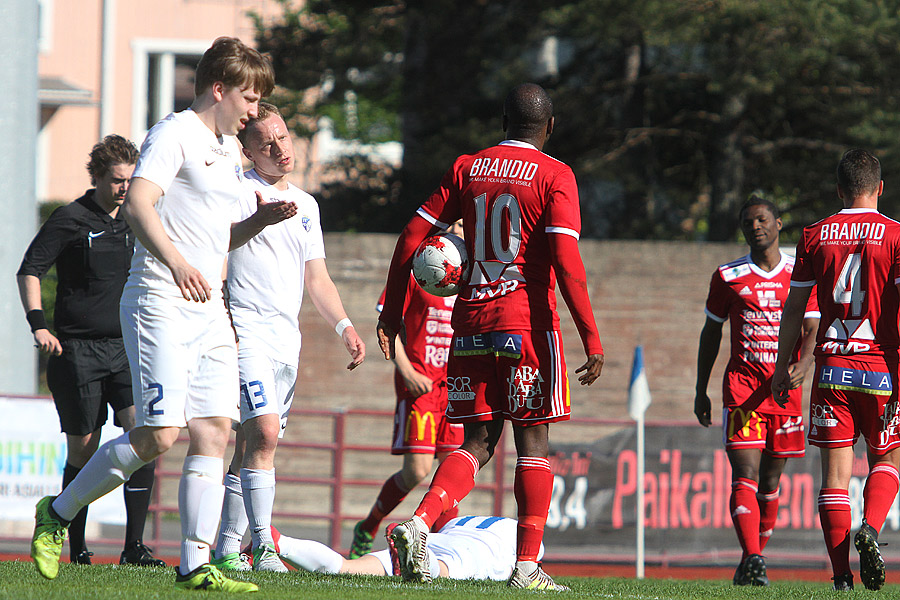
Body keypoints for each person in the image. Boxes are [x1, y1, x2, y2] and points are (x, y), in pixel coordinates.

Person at [29, 37, 296, 593]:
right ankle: (56, 513)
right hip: (159, 302)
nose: (254, 110)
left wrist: (259, 224)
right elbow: (138, 203)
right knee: (159, 435)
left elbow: (216, 234)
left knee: (216, 430)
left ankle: (196, 565)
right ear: (218, 90)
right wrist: (176, 264)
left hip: (209, 307)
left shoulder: (226, 149)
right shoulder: (173, 134)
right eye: (248, 98)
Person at [376, 83, 604, 591]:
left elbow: (412, 237)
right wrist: (591, 337)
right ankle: (526, 567)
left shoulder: (467, 167)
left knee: (476, 442)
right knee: (534, 443)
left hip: (470, 326)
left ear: (503, 119)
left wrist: (391, 312)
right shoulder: (555, 175)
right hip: (525, 326)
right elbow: (566, 262)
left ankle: (417, 522)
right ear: (550, 125)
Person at [211, 102, 365, 573]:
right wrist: (260, 219)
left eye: (283, 137)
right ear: (249, 151)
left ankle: (226, 549)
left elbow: (316, 279)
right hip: (247, 330)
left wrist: (345, 327)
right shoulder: (238, 191)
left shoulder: (308, 205)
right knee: (264, 432)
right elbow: (220, 242)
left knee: (253, 446)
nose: (279, 148)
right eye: (266, 143)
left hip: (286, 340)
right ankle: (263, 546)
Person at [17, 135, 165, 568]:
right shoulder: (71, 218)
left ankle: (133, 548)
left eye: (130, 180)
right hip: (77, 350)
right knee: (83, 450)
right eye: (117, 180)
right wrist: (39, 325)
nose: (125, 188)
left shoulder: (141, 216)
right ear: (97, 177)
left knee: (146, 434)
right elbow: (30, 270)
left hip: (127, 346)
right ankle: (76, 548)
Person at [773, 149, 900, 592]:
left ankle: (842, 576)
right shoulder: (896, 236)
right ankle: (873, 528)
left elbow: (794, 307)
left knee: (834, 478)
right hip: (882, 369)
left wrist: (782, 363)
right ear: (880, 188)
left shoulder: (814, 234)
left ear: (838, 189)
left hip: (831, 370)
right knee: (887, 458)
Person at [694, 196, 820, 586]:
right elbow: (711, 333)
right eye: (748, 222)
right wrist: (701, 390)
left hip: (783, 395)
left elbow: (813, 327)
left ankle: (755, 558)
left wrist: (805, 363)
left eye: (762, 220)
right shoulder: (728, 276)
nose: (755, 227)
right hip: (742, 392)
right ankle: (753, 557)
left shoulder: (799, 273)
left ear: (779, 223)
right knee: (744, 474)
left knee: (770, 483)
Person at [348, 221, 465, 559]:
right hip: (421, 387)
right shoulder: (420, 267)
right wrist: (408, 370)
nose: (459, 228)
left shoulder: (472, 271)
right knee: (418, 470)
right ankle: (368, 526)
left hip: (455, 387)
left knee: (451, 470)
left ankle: (443, 549)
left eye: (464, 223)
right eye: (453, 222)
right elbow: (388, 325)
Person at [277, 515, 544, 582]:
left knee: (347, 567)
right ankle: (422, 560)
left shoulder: (465, 519)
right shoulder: (521, 529)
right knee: (444, 570)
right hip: (477, 550)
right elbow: (528, 567)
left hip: (439, 536)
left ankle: (277, 541)